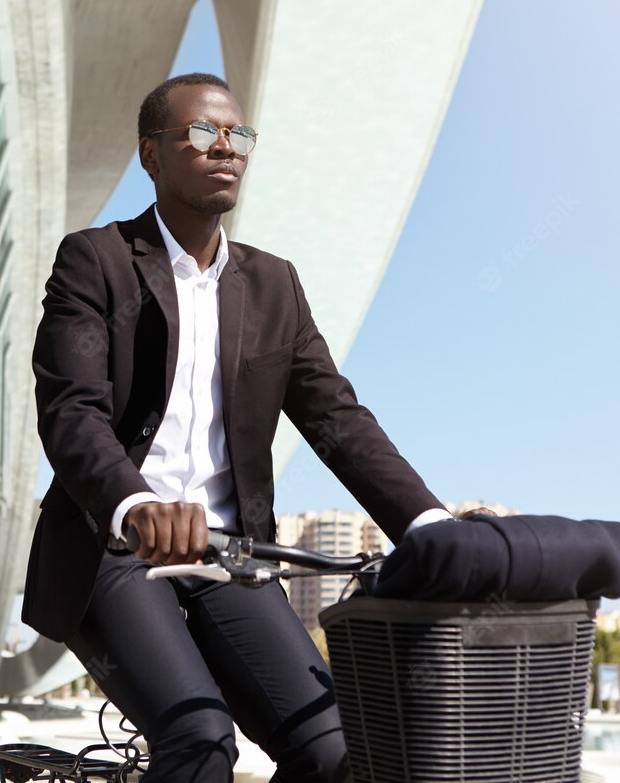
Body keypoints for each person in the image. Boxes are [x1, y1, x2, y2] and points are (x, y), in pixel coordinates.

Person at [23, 72, 453, 782]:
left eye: (238, 135)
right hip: (113, 549)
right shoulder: (94, 260)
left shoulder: (273, 284)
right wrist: (135, 505)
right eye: (201, 133)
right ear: (152, 155)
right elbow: (72, 411)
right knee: (199, 737)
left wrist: (429, 524)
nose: (226, 147)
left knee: (336, 751)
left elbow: (335, 417)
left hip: (232, 560)